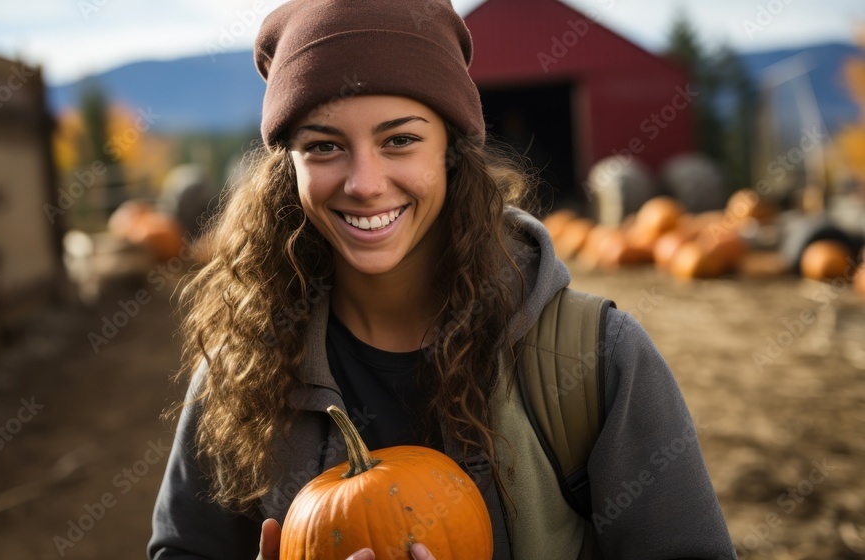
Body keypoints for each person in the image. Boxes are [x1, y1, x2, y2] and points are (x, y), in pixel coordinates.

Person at [148, 1, 736, 559]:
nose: (365, 183)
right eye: (324, 146)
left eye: (399, 140)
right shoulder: (244, 369)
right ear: (289, 168)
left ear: (451, 152)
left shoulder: (597, 359)